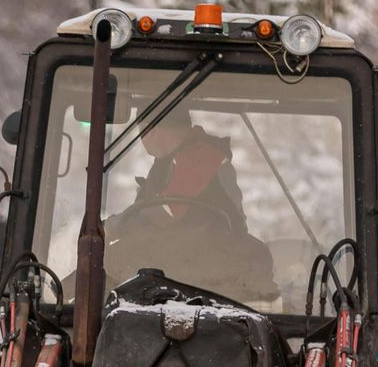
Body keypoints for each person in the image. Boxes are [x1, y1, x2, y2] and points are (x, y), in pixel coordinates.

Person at [103, 110, 275, 301]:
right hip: (188, 258)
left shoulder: (202, 155)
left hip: (213, 265)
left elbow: (166, 213)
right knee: (101, 269)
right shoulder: (170, 162)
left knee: (108, 265)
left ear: (148, 130)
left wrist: (111, 228)